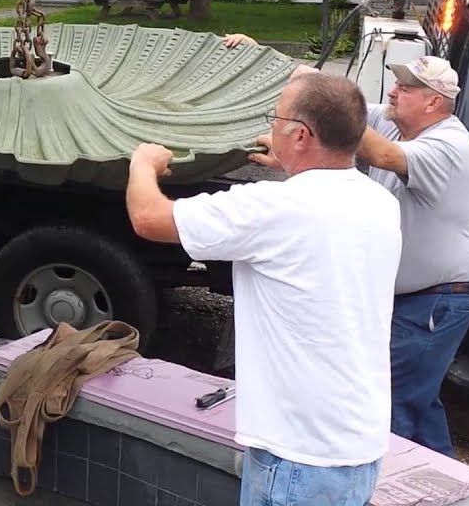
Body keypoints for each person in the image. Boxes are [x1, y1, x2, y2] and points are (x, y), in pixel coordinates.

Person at [127, 71, 402, 506]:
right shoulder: (380, 204)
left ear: (301, 134)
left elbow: (148, 217)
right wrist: (297, 165)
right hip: (355, 447)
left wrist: (143, 164)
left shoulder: (273, 209)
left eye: (276, 118)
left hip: (297, 459)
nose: (271, 126)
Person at [354, 56, 469, 457]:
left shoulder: (449, 144)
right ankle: (445, 483)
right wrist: (267, 58)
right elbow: (342, 101)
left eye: (406, 88)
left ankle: (389, 488)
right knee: (417, 396)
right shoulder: (392, 121)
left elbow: (384, 157)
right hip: (420, 295)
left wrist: (328, 117)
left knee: (393, 400)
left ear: (433, 102)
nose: (393, 92)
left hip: (440, 297)